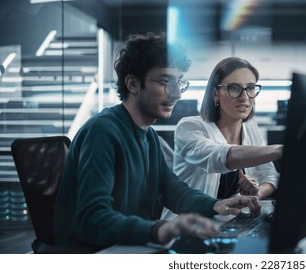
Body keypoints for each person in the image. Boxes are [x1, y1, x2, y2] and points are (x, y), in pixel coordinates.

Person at [53, 33, 259, 252]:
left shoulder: (149, 136)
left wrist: (215, 205)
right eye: (165, 81)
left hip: (127, 248)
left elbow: (171, 189)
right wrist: (158, 230)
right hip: (96, 254)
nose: (177, 93)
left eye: (178, 81)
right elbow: (91, 220)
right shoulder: (102, 131)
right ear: (133, 84)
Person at [161, 57, 282, 220]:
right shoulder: (189, 127)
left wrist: (255, 194)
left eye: (251, 88)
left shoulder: (250, 127)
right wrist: (280, 150)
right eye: (234, 88)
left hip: (225, 223)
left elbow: (270, 175)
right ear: (215, 93)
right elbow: (218, 157)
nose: (244, 97)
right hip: (184, 226)